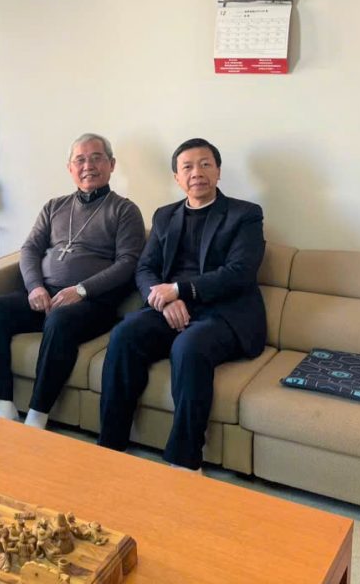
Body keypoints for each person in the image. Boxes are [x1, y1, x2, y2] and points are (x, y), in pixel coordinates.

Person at [97, 138, 265, 471]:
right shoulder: (165, 216)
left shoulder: (245, 215)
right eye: (187, 167)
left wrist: (179, 290)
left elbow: (240, 272)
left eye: (205, 164)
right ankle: (111, 445)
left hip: (223, 313)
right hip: (170, 308)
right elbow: (145, 268)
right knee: (125, 334)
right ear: (177, 177)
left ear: (218, 171)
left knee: (188, 347)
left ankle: (185, 461)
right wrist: (162, 301)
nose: (196, 172)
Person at [0, 133, 145, 429]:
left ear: (111, 164)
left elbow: (127, 263)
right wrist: (35, 287)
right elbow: (30, 249)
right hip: (45, 295)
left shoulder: (124, 210)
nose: (88, 166)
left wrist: (81, 290)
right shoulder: (54, 206)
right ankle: (3, 405)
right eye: (80, 160)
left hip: (93, 303)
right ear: (70, 168)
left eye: (96, 158)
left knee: (59, 320)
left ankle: (37, 414)